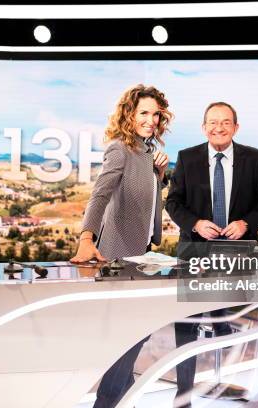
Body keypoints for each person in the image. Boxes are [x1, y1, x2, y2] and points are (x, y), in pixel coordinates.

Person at [165, 101, 258, 407]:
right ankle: (183, 393)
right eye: (212, 123)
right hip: (194, 251)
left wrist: (246, 223)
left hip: (237, 251)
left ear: (236, 127)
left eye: (225, 122)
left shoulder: (254, 159)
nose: (218, 128)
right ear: (204, 128)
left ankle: (229, 382)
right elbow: (173, 203)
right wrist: (196, 223)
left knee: (228, 320)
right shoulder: (187, 158)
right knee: (186, 323)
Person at [71, 84, 173, 407]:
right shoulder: (119, 148)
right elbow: (100, 195)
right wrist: (86, 238)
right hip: (116, 256)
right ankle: (106, 403)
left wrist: (160, 173)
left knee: (134, 336)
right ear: (129, 114)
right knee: (128, 337)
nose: (150, 120)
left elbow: (149, 198)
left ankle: (118, 399)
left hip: (141, 256)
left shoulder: (148, 152)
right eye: (144, 113)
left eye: (156, 115)